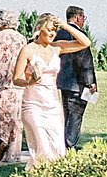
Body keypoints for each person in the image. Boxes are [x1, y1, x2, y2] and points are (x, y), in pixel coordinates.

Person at [16, 14, 90, 163]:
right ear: (39, 28)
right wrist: (30, 81)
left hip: (52, 104)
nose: (52, 34)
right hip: (33, 104)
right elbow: (16, 79)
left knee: (57, 147)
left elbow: (85, 43)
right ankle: (37, 176)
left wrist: (64, 25)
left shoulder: (57, 48)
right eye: (49, 30)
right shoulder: (28, 50)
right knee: (42, 145)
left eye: (54, 31)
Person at [0, 16, 28, 163]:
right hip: (16, 83)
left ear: (3, 22)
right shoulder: (22, 39)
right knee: (15, 120)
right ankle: (13, 153)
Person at [59, 6, 97, 147]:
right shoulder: (79, 35)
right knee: (75, 115)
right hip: (78, 82)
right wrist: (90, 82)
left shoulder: (59, 34)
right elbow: (84, 61)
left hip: (64, 81)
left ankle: (65, 143)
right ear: (78, 17)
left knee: (67, 114)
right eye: (83, 18)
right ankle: (69, 144)